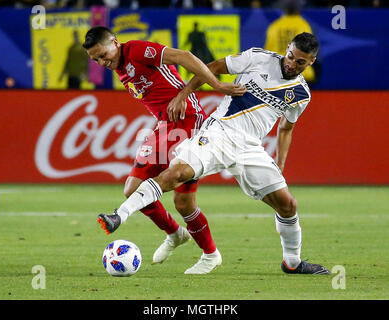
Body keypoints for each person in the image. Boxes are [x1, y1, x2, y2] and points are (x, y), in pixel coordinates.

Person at [99, 32, 331, 275]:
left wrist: (281, 162)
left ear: (311, 62)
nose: (292, 63)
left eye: (300, 62)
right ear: (288, 49)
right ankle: (120, 215)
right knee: (177, 173)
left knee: (288, 206)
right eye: (291, 56)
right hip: (220, 131)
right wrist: (184, 94)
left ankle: (292, 263)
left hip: (250, 148)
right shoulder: (258, 58)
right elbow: (212, 67)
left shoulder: (302, 94)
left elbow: (286, 128)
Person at [82, 26, 246, 273]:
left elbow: (186, 57)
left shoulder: (137, 50)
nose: (101, 61)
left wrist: (216, 86)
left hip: (189, 122)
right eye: (95, 59)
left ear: (115, 42)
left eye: (103, 54)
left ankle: (210, 255)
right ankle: (175, 234)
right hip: (166, 126)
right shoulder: (118, 66)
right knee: (133, 188)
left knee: (184, 203)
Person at [264, 0, 321, 86]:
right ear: (299, 8)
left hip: (278, 75)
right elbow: (314, 53)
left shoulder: (274, 26)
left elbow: (267, 55)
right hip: (302, 75)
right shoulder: (304, 25)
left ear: (284, 8)